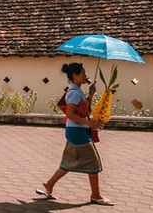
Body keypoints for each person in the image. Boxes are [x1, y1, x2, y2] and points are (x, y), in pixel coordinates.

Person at [37, 62, 113, 205]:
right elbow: (70, 114)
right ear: (75, 76)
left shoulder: (77, 91)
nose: (86, 75)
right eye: (83, 73)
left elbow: (83, 110)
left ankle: (49, 184)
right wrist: (91, 124)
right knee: (93, 162)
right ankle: (96, 195)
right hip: (77, 132)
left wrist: (90, 95)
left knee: (69, 162)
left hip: (76, 131)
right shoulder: (73, 93)